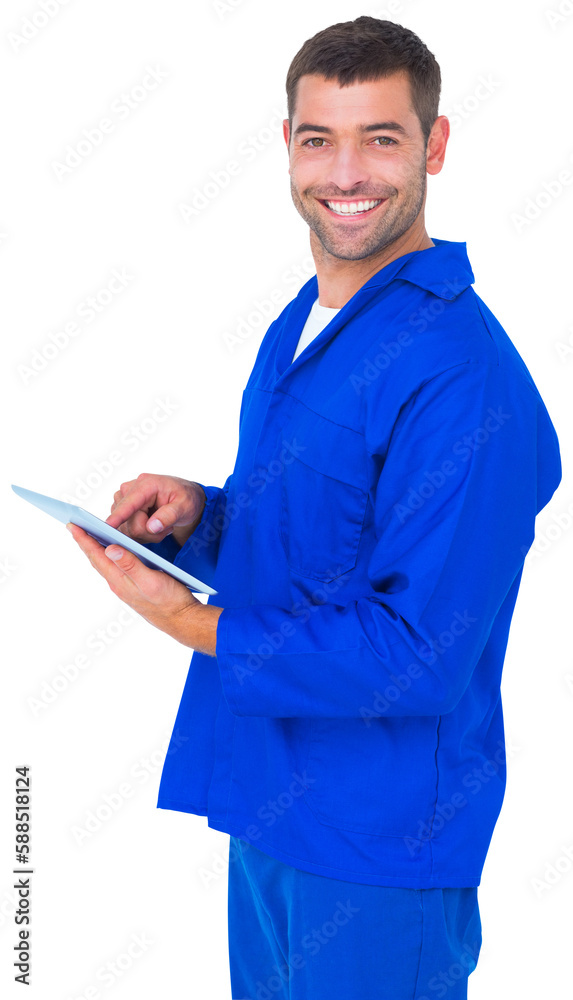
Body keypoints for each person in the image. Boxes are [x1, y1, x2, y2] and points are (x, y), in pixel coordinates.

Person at [67, 16, 562, 1000]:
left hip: (378, 845)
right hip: (269, 806)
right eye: (318, 138)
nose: (346, 173)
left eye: (380, 137)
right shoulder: (305, 322)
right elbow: (322, 540)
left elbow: (419, 651)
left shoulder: (460, 375)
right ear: (286, 146)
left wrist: (190, 622)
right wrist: (200, 518)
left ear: (434, 145)